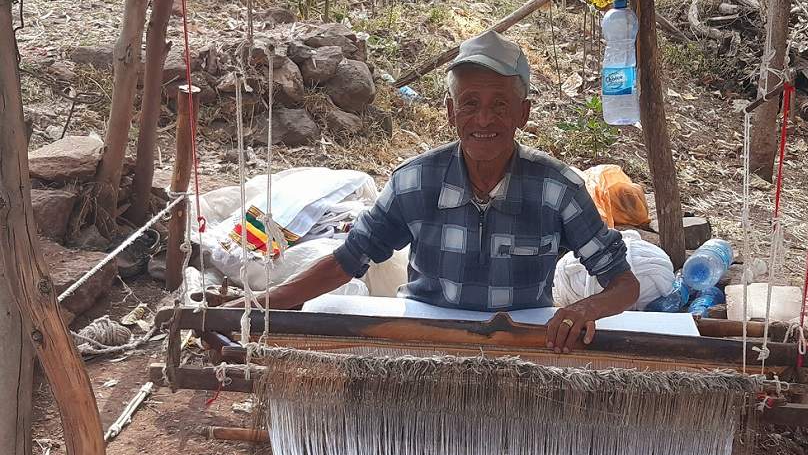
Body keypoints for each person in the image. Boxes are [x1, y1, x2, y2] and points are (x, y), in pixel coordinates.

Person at [232, 30, 640, 353]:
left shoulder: (558, 190)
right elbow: (348, 260)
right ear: (450, 112)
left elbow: (624, 284)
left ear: (523, 113)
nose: (483, 118)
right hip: (424, 345)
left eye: (500, 105)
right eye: (469, 103)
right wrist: (259, 306)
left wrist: (583, 310)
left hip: (524, 349)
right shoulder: (415, 182)